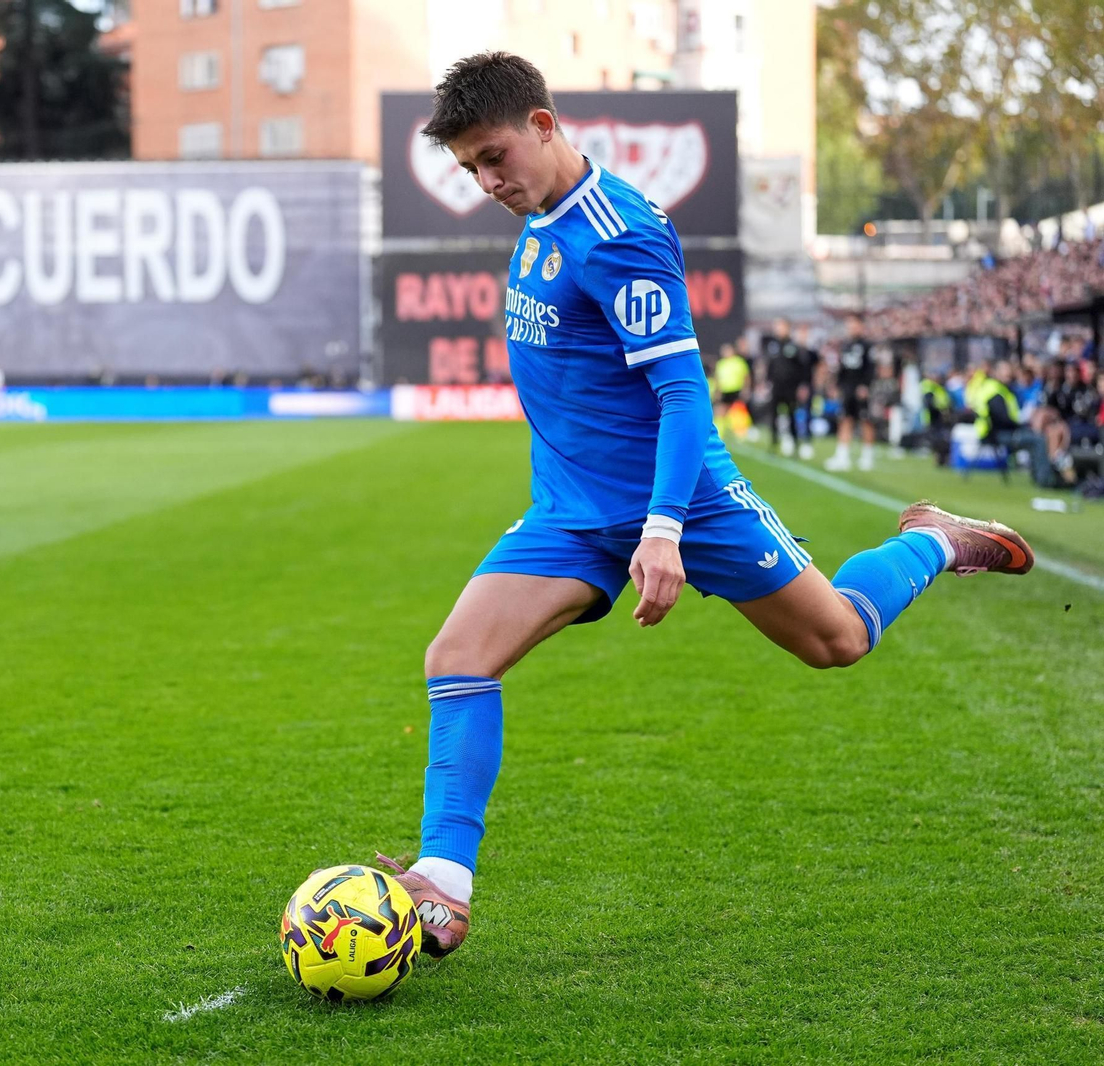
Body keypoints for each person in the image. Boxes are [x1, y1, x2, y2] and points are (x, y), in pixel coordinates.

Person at [380, 52, 1035, 960]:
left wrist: (662, 529)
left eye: (494, 157)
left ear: (543, 123)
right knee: (457, 656)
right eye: (470, 171)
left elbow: (685, 394)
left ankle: (932, 540)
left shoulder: (621, 234)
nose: (487, 182)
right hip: (571, 513)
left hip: (685, 501)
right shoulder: (539, 216)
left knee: (836, 640)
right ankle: (443, 888)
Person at [826, 315, 877, 471]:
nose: (851, 327)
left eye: (854, 324)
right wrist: (836, 386)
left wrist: (866, 386)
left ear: (861, 326)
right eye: (849, 324)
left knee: (865, 421)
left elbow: (871, 368)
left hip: (861, 389)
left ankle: (867, 456)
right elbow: (841, 368)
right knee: (845, 420)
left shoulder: (867, 346)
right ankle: (843, 456)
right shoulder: (845, 345)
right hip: (847, 388)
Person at [763, 318, 815, 459]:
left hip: (791, 387)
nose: (778, 329)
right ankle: (774, 443)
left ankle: (795, 444)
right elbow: (770, 366)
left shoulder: (794, 346)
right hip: (776, 386)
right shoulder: (773, 345)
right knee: (774, 415)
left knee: (792, 415)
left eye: (781, 326)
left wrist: (802, 385)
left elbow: (802, 367)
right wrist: (767, 381)